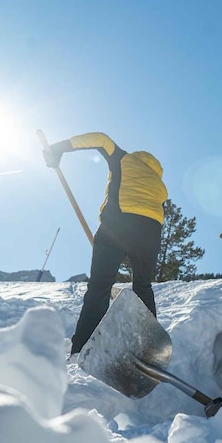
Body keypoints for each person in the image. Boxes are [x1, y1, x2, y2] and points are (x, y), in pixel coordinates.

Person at [43, 132, 168, 355]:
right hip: (151, 228)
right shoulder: (157, 182)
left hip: (118, 222)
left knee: (100, 286)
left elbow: (100, 138)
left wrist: (58, 148)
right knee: (142, 286)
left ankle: (82, 348)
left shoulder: (123, 158)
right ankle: (148, 348)